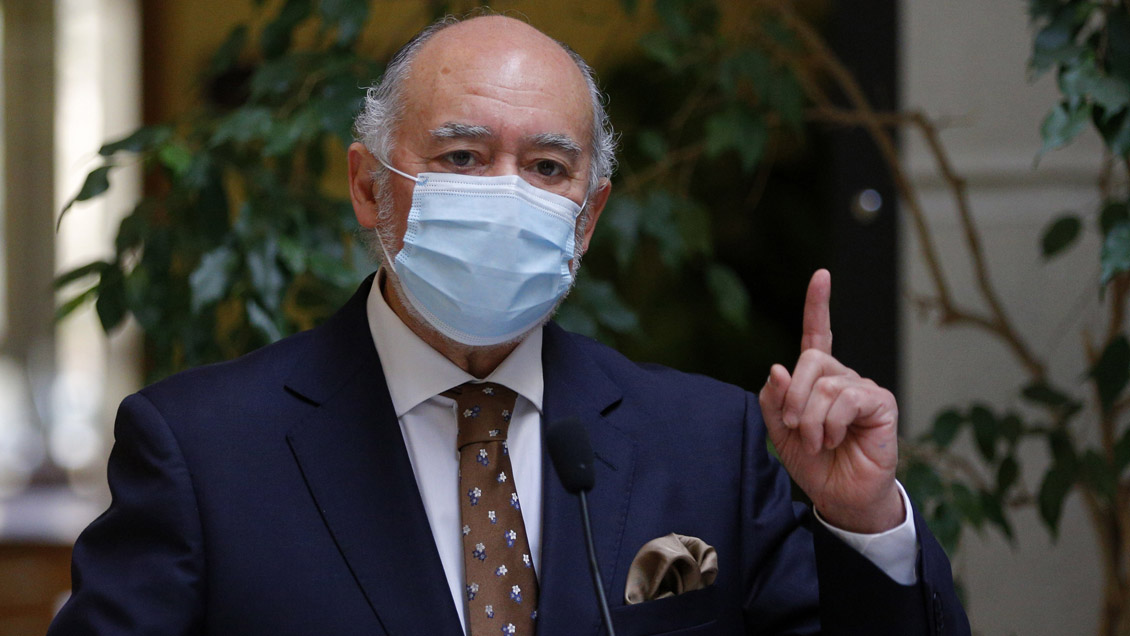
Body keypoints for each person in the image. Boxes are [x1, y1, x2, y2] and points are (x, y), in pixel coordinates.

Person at [48, 13, 970, 636]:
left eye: (546, 168)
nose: (505, 195)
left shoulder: (705, 442)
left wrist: (862, 520)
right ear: (369, 188)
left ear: (588, 214)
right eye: (461, 156)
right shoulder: (203, 453)